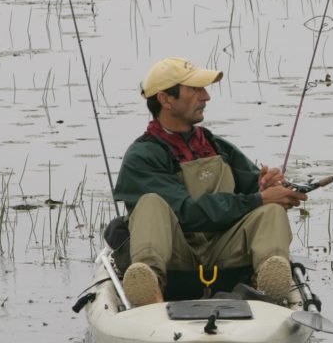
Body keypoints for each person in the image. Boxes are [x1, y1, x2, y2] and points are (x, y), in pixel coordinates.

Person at [113, 57, 307, 307]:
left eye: (203, 89)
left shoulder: (216, 146)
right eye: (195, 90)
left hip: (224, 252)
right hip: (175, 257)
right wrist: (257, 199)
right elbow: (187, 212)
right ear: (165, 99)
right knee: (150, 203)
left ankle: (267, 287)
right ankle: (149, 286)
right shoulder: (142, 157)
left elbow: (252, 189)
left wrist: (268, 188)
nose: (206, 97)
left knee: (270, 212)